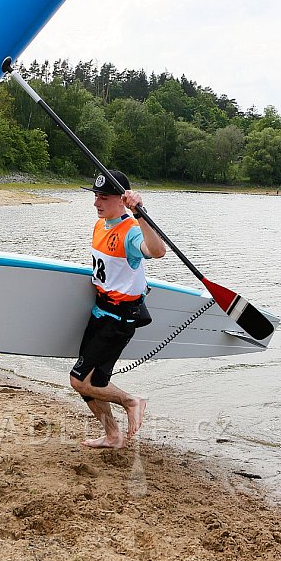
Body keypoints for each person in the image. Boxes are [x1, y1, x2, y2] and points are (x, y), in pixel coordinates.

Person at [69, 170, 165, 449]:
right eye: (96, 196)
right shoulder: (100, 225)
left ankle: (131, 401)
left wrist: (141, 214)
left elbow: (157, 251)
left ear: (122, 201)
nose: (97, 202)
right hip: (101, 311)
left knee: (79, 381)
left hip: (120, 317)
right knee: (94, 382)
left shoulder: (130, 233)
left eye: (105, 197)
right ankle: (113, 435)